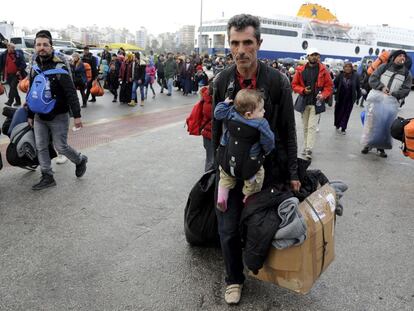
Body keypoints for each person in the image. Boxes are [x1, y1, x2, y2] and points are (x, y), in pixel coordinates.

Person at [212, 14, 300, 305]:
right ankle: (233, 279)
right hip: (230, 168)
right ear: (229, 43)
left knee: (256, 225)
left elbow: (288, 129)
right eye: (235, 43)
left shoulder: (277, 82)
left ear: (258, 44)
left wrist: (293, 172)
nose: (241, 50)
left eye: (247, 42)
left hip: (263, 171)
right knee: (226, 227)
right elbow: (216, 129)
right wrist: (216, 164)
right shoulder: (223, 80)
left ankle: (253, 265)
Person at [27, 30, 88, 190]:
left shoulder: (60, 66)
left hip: (59, 115)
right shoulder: (34, 67)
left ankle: (80, 160)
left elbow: (70, 92)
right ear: (34, 47)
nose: (42, 48)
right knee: (41, 146)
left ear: (51, 46)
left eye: (45, 45)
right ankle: (47, 176)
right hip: (40, 115)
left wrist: (77, 115)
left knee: (61, 147)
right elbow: (32, 92)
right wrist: (30, 114)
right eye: (38, 45)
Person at [214, 89, 275, 211]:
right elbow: (269, 140)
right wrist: (266, 151)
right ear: (248, 114)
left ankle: (221, 197)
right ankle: (249, 197)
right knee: (257, 178)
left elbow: (217, 113)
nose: (264, 111)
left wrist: (225, 103)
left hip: (228, 158)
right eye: (261, 109)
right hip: (249, 164)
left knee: (225, 177)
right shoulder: (261, 123)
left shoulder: (231, 113)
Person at [362, 49, 412, 157]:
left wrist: (394, 94)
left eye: (404, 56)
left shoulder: (407, 73)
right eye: (400, 56)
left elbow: (406, 89)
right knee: (372, 123)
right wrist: (381, 87)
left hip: (391, 103)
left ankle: (381, 147)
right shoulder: (384, 67)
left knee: (386, 125)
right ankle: (367, 144)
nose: (402, 58)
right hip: (377, 100)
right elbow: (373, 79)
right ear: (394, 57)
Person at [291, 47, 333, 160]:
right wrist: (303, 90)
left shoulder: (324, 70)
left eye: (316, 55)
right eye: (312, 54)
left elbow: (329, 86)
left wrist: (323, 95)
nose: (314, 57)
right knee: (305, 126)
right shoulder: (300, 70)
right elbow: (294, 85)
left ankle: (309, 148)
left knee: (312, 127)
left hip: (316, 103)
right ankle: (305, 146)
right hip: (304, 102)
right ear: (308, 56)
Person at [333, 62, 361, 135]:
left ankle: (343, 128)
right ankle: (337, 124)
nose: (348, 68)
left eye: (349, 67)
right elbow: (334, 84)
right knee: (338, 112)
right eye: (346, 67)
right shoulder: (340, 75)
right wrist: (334, 91)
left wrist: (358, 97)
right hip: (340, 97)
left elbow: (358, 88)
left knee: (346, 113)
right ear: (344, 68)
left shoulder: (356, 76)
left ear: (351, 68)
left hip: (350, 98)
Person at [0, 42, 27, 106]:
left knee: (12, 87)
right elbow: (1, 65)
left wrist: (19, 70)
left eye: (14, 47)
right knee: (14, 88)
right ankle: (18, 101)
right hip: (8, 75)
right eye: (12, 47)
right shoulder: (3, 55)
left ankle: (10, 101)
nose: (14, 49)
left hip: (16, 75)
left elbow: (24, 64)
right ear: (8, 47)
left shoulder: (18, 54)